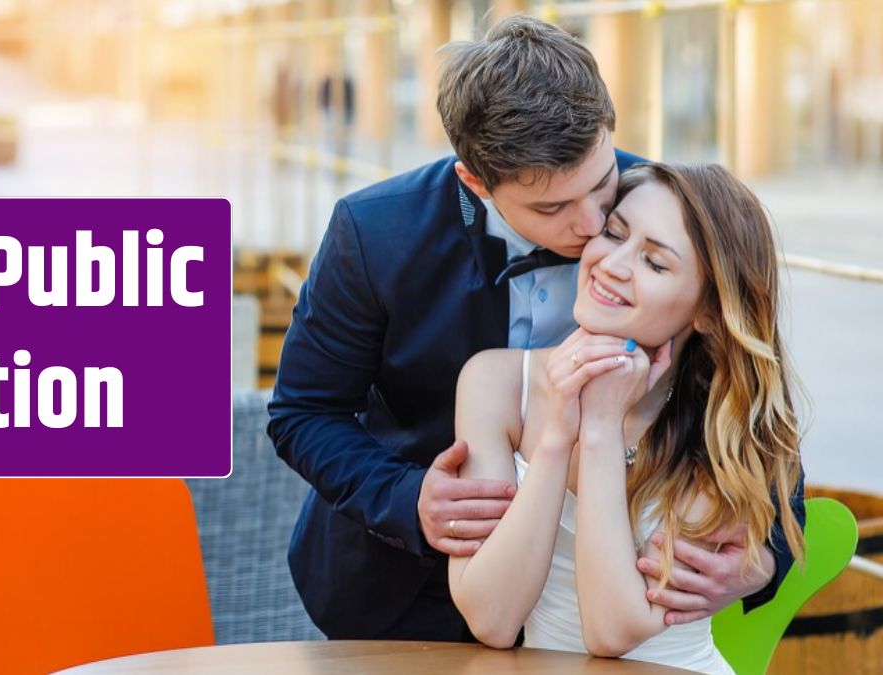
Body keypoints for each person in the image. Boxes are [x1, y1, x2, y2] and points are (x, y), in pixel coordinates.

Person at [267, 15, 805, 642]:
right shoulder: (374, 234)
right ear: (476, 182)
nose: (593, 228)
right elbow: (303, 412)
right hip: (409, 589)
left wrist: (762, 559)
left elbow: (750, 390)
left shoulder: (653, 213)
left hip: (607, 600)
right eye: (552, 207)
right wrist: (408, 497)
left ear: (608, 130)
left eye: (601, 185)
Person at [449, 162, 805, 674]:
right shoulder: (494, 383)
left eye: (655, 263)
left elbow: (611, 629)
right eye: (614, 232)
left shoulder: (719, 427)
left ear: (705, 311)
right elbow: (492, 619)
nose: (611, 264)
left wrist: (599, 429)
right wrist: (554, 437)